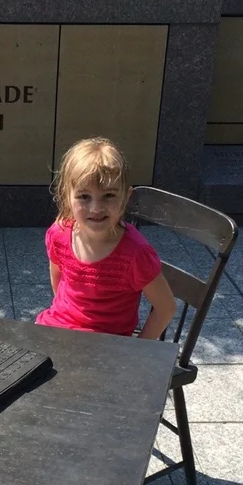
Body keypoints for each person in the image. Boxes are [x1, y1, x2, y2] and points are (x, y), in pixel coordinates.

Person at [35, 137, 176, 340]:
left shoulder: (135, 254)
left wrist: (139, 349)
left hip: (106, 346)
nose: (96, 208)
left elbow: (166, 308)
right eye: (84, 196)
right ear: (67, 195)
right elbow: (58, 280)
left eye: (109, 195)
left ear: (126, 197)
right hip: (58, 328)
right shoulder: (58, 233)